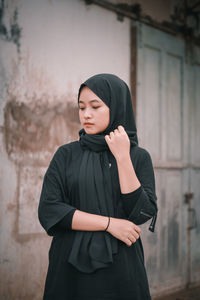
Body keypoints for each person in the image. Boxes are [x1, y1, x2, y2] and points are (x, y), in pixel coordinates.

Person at [38, 73, 158, 300]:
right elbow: (49, 210)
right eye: (81, 107)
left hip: (121, 266)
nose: (86, 115)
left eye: (95, 106)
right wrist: (109, 224)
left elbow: (142, 212)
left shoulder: (138, 157)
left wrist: (122, 156)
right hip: (69, 265)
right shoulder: (66, 154)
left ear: (116, 106)